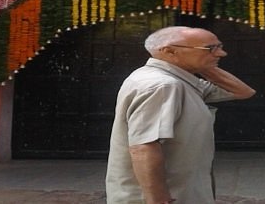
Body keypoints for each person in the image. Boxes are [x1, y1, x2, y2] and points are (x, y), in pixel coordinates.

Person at [105, 25, 256, 204]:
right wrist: (158, 199)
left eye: (219, 47)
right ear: (169, 52)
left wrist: (203, 63)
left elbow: (242, 92)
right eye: (210, 48)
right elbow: (144, 147)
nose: (221, 54)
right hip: (167, 196)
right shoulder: (163, 85)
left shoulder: (180, 80)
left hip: (182, 190)